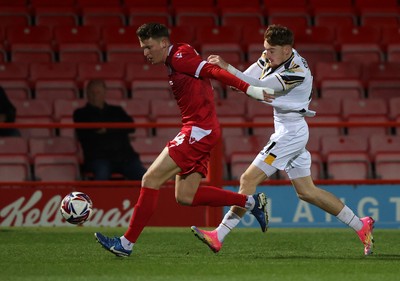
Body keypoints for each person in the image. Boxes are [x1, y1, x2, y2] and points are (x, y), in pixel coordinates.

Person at [191, 24, 375, 256]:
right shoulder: (272, 56)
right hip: (288, 128)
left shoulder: (296, 71)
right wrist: (230, 76)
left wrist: (227, 68)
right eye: (265, 49)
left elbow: (258, 86)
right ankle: (362, 225)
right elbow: (245, 81)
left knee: (247, 178)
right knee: (307, 192)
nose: (267, 54)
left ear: (287, 50)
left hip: (291, 133)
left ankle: (219, 235)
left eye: (272, 51)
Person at [94, 22, 275, 257]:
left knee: (150, 179)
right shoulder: (179, 54)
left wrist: (250, 89)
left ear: (163, 43)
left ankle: (125, 244)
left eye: (149, 47)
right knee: (185, 196)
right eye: (143, 48)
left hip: (198, 131)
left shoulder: (179, 57)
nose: (146, 53)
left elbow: (212, 70)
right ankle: (251, 202)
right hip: (202, 130)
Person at [73, 79, 147, 180]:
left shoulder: (117, 110)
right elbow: (89, 131)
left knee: (145, 177)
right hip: (98, 158)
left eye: (98, 92)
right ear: (87, 94)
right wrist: (116, 128)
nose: (94, 95)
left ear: (104, 93)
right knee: (102, 172)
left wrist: (107, 129)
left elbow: (131, 126)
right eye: (91, 92)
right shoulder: (80, 113)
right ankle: (99, 196)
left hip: (124, 157)